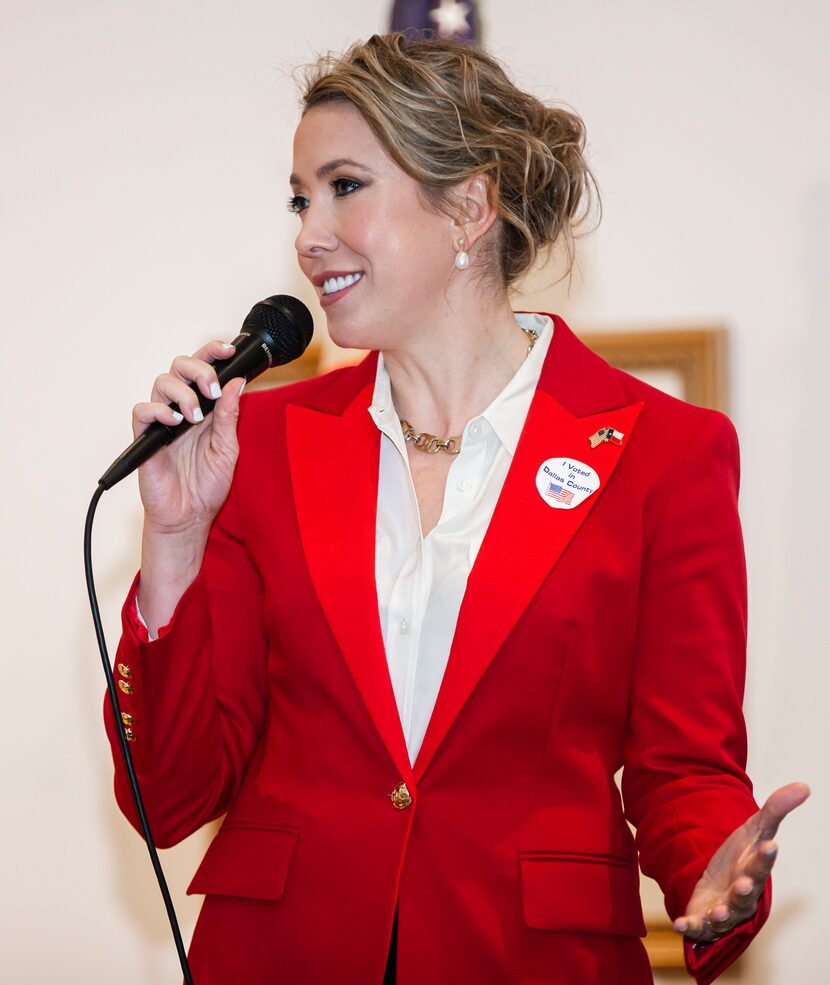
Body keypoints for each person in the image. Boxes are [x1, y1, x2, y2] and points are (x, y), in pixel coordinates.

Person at [105, 32, 808, 985]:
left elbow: (682, 766)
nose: (309, 234)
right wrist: (176, 540)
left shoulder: (666, 452)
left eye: (346, 185)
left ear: (469, 205)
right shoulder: (255, 444)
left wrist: (714, 866)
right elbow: (169, 797)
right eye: (300, 198)